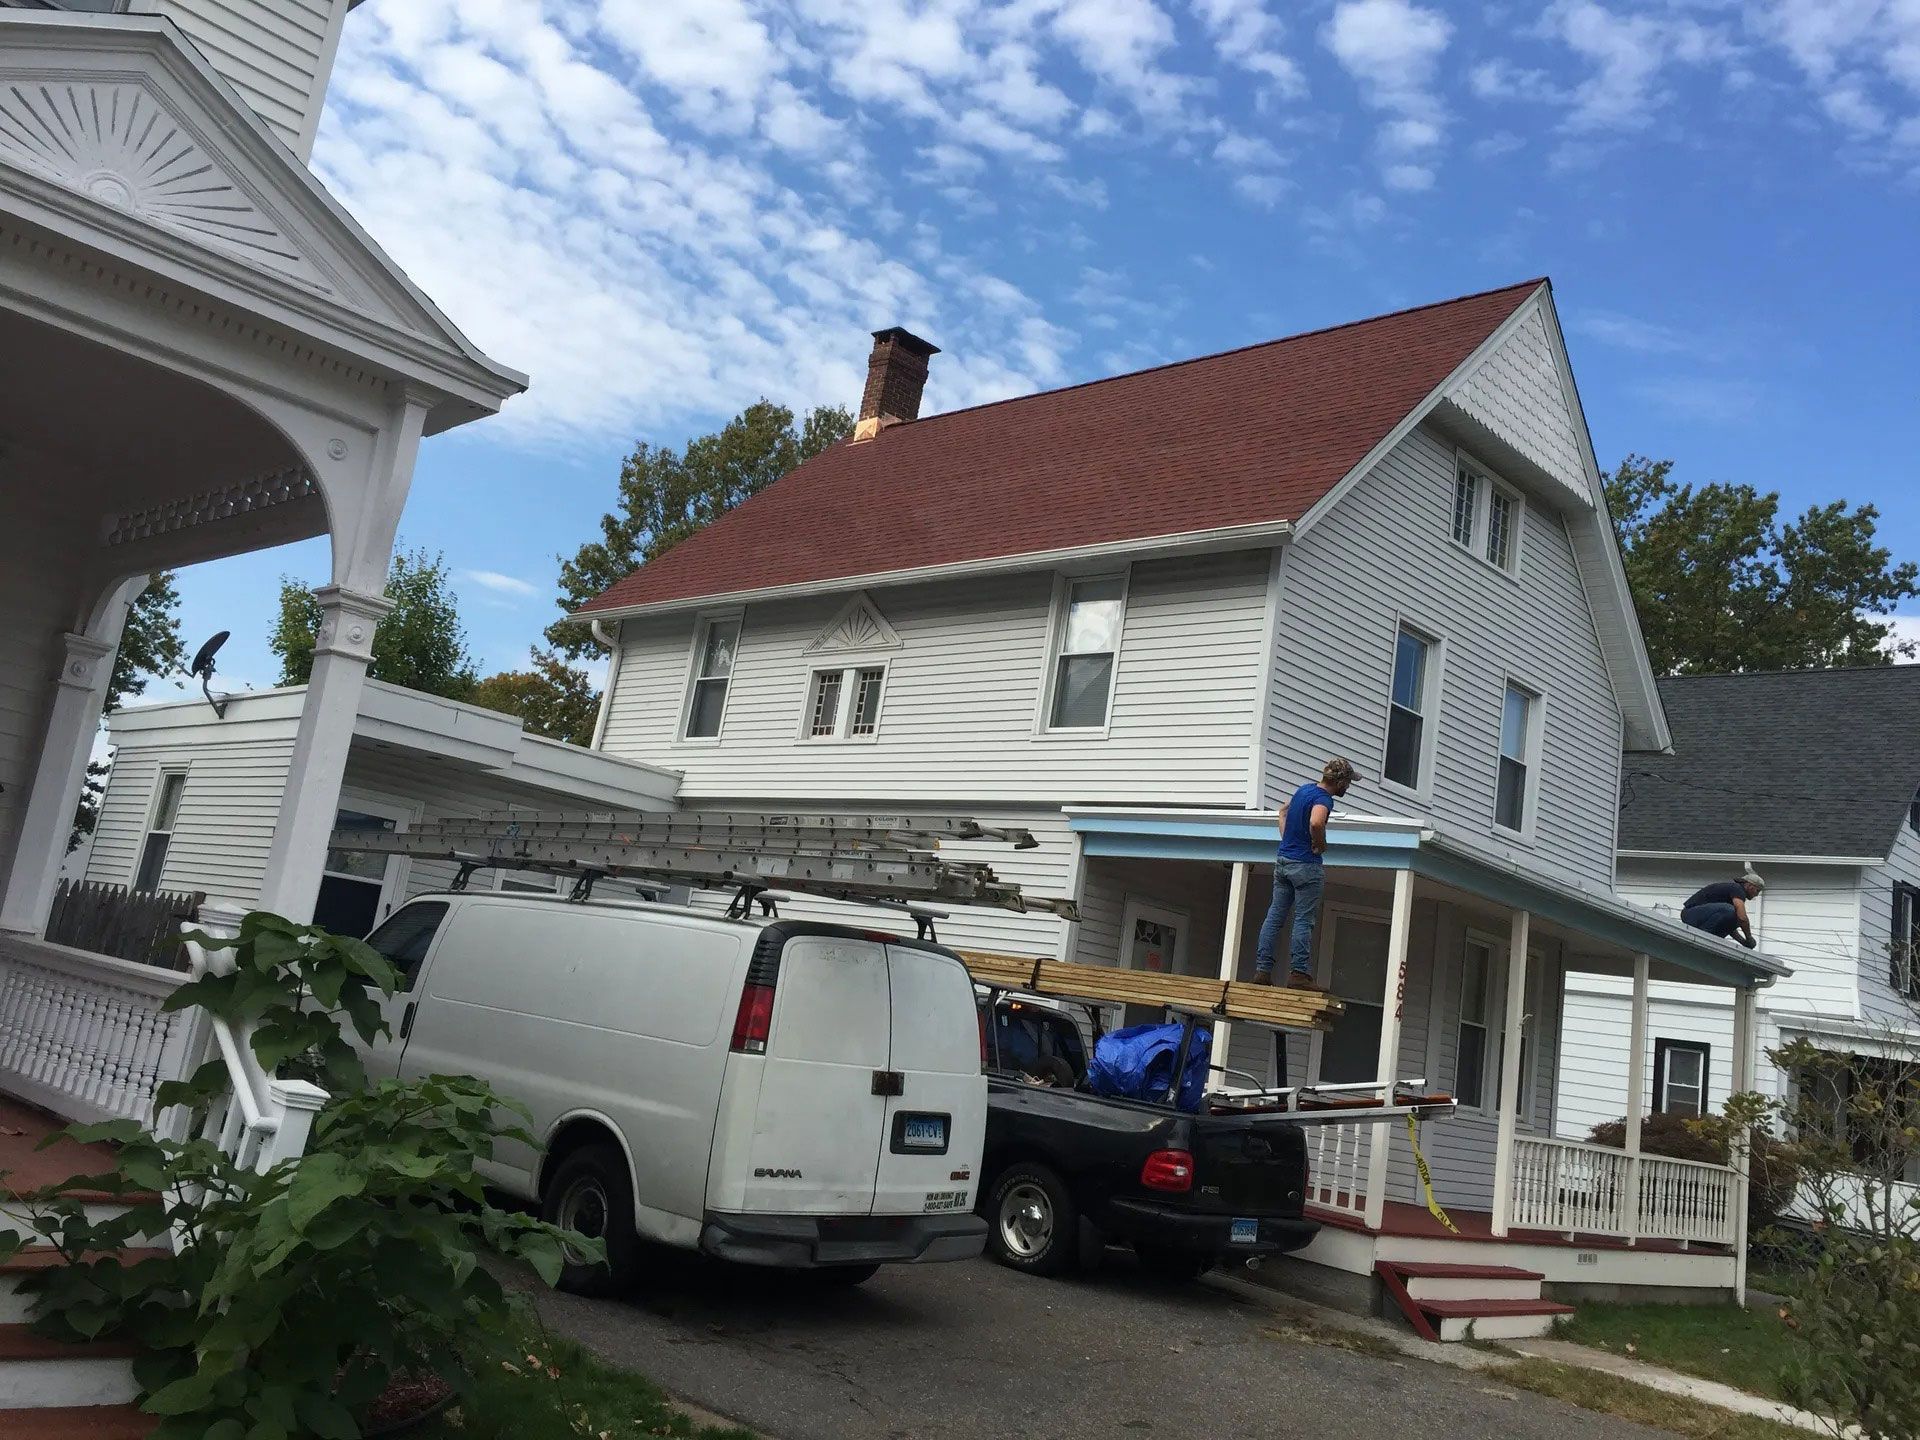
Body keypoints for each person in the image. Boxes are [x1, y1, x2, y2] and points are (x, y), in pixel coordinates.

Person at [1253, 758, 1357, 988]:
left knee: (1274, 917)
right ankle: (1298, 974)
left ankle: (1262, 971)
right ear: (1339, 782)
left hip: (1283, 860)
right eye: (1348, 782)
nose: (1348, 787)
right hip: (1306, 866)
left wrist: (1286, 830)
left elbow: (1284, 812)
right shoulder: (1323, 799)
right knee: (1303, 919)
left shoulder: (1303, 790)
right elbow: (1317, 822)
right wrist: (1320, 844)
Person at [1680, 866, 1765, 949]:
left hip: (1699, 916)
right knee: (1734, 913)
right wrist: (1749, 937)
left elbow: (1730, 924)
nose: (1756, 895)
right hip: (1690, 914)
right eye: (1757, 890)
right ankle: (1704, 934)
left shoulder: (1732, 899)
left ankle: (1711, 939)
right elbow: (1742, 918)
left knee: (1734, 918)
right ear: (1749, 886)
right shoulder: (1737, 889)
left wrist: (1743, 942)